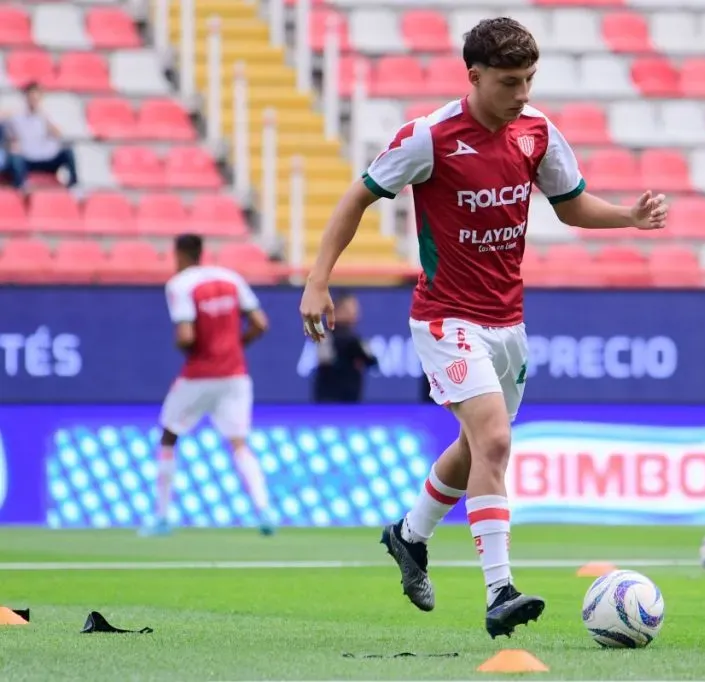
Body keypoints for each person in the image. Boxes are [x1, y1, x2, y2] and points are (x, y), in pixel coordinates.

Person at [298, 17, 667, 638]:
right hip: (445, 317)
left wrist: (628, 216)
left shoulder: (537, 133)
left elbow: (571, 203)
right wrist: (317, 280)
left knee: (477, 449)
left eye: (528, 80)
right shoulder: (429, 137)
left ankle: (409, 535)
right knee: (495, 441)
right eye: (509, 82)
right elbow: (356, 198)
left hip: (508, 323)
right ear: (474, 77)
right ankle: (500, 591)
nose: (522, 93)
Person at [141, 234, 275, 537]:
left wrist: (185, 345)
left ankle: (162, 516)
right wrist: (237, 345)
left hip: (199, 374)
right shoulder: (231, 278)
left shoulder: (179, 285)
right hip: (235, 374)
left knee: (169, 435)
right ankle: (264, 510)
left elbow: (186, 335)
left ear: (178, 255)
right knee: (239, 443)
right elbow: (261, 323)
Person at [5, 82, 78, 191]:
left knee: (68, 152)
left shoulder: (46, 116)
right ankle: (20, 188)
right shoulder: (17, 116)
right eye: (31, 96)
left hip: (46, 158)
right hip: (28, 159)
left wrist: (46, 117)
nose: (34, 100)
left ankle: (73, 186)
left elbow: (59, 134)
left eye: (36, 97)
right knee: (15, 158)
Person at [312, 290, 378, 403]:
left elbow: (372, 361)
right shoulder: (326, 336)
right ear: (337, 311)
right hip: (330, 399)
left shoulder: (356, 340)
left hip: (351, 397)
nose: (354, 313)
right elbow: (325, 362)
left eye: (355, 309)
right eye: (349, 309)